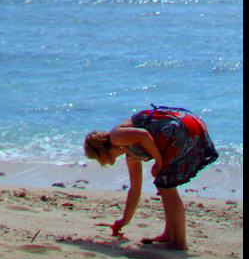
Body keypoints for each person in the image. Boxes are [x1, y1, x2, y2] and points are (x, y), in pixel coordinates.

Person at [83, 105, 218, 250]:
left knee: (166, 186)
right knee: (164, 184)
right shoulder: (130, 153)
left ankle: (179, 242)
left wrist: (158, 162)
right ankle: (169, 234)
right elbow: (135, 191)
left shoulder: (115, 137)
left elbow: (143, 135)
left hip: (181, 128)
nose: (100, 163)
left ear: (99, 151)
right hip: (187, 124)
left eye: (96, 158)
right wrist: (124, 221)